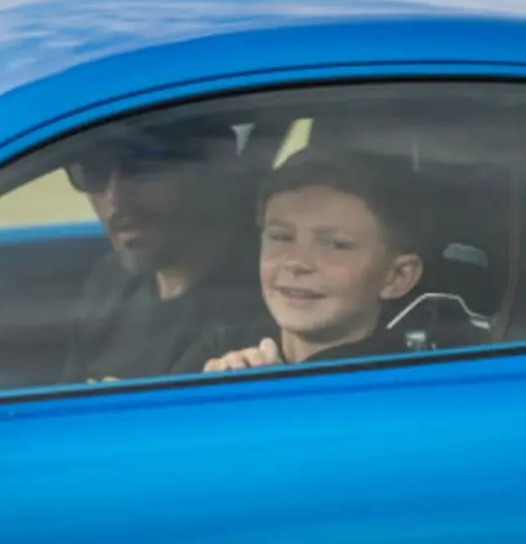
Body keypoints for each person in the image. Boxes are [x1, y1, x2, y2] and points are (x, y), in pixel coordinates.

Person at [173, 145, 427, 374]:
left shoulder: (410, 375)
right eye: (281, 237)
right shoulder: (220, 349)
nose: (297, 262)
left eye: (336, 245)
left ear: (397, 277)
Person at [58, 123, 269, 384]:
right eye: (92, 172)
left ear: (212, 167)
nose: (116, 198)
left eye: (143, 168)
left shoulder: (263, 313)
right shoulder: (109, 283)